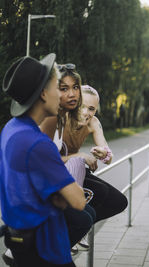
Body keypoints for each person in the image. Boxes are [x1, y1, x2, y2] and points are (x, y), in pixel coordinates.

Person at [0, 54, 86, 266]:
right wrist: (61, 195)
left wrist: (57, 195)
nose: (62, 94)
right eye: (58, 87)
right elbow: (78, 200)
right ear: (44, 94)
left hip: (20, 242)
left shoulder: (11, 129)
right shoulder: (38, 143)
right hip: (46, 250)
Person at [41, 73, 127, 224]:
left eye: (92, 109)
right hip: (54, 174)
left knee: (119, 201)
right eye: (82, 106)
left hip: (77, 170)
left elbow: (108, 156)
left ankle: (79, 229)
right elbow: (45, 161)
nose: (86, 112)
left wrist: (103, 154)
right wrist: (80, 155)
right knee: (99, 192)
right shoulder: (60, 119)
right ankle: (70, 228)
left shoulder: (93, 122)